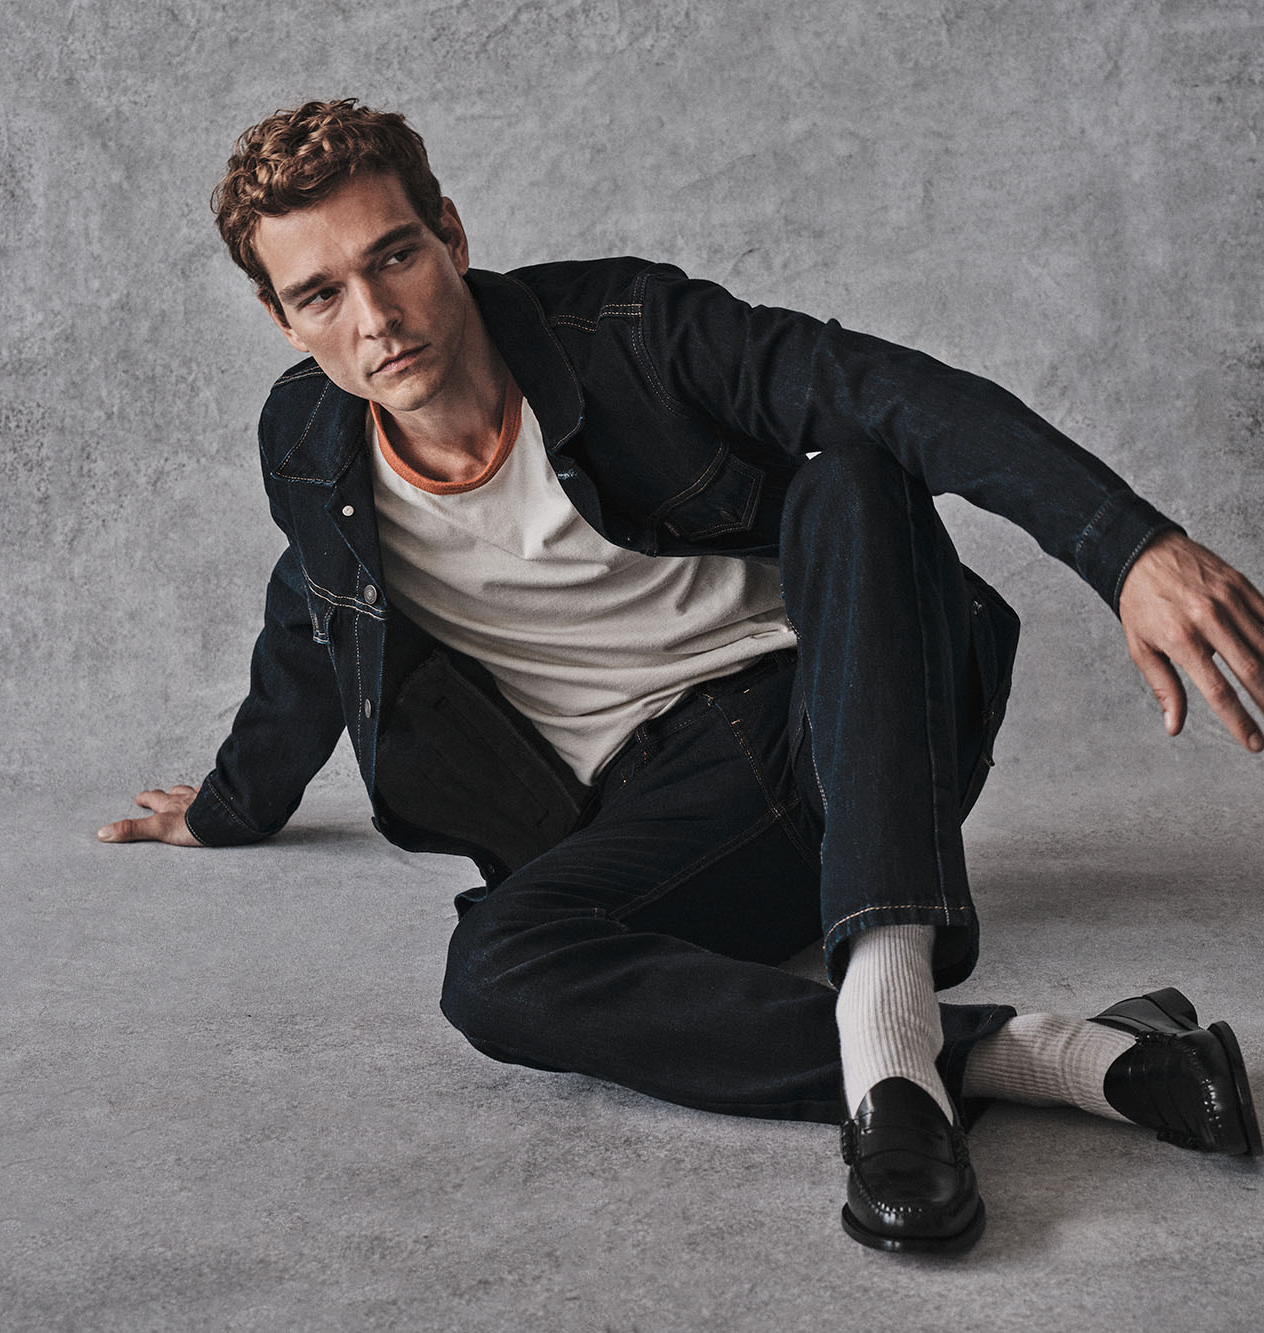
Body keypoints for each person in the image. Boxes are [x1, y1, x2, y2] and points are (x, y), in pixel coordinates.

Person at [98, 99, 1262, 1253]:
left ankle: (890, 1050)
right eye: (321, 295)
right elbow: (309, 614)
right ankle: (1067, 1057)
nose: (376, 318)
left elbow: (884, 388)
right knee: (494, 969)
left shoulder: (626, 331)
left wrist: (1126, 548)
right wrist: (231, 804)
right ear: (280, 318)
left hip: (855, 720)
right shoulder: (308, 446)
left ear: (449, 233)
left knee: (854, 471)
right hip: (669, 811)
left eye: (394, 256)